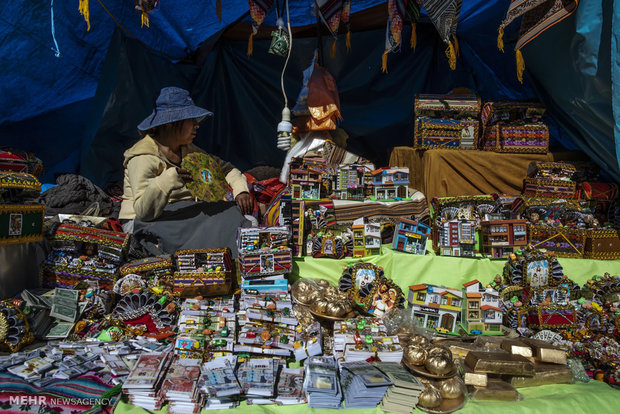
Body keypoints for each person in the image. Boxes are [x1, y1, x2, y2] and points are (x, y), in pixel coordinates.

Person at [119, 86, 253, 254]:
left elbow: (225, 169)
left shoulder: (189, 150)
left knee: (229, 212)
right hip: (145, 221)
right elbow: (144, 212)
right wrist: (166, 181)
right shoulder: (143, 157)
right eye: (191, 121)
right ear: (171, 124)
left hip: (181, 214)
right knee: (208, 223)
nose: (196, 126)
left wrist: (241, 190)